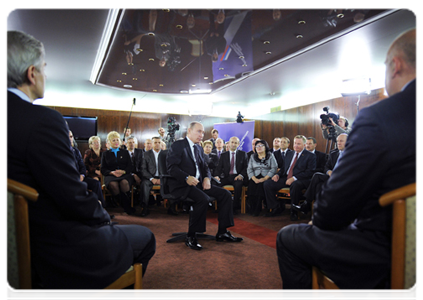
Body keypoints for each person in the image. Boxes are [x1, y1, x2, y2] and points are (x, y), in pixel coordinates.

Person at [5, 30, 155, 300]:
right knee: (145, 238)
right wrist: (103, 219)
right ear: (31, 73)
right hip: (48, 251)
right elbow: (71, 197)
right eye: (44, 69)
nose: (45, 76)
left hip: (10, 248)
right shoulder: (43, 121)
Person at [277, 28, 420, 300]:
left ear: (396, 65)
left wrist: (321, 219)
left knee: (288, 238)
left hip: (387, 254)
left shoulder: (379, 117)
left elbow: (333, 211)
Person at [166, 121, 243, 250]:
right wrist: (186, 177)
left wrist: (207, 178)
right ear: (189, 131)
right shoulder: (178, 145)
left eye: (203, 132)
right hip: (182, 185)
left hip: (199, 184)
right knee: (203, 199)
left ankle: (223, 231)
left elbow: (205, 167)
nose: (202, 134)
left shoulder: (198, 148)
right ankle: (192, 236)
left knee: (226, 194)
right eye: (199, 131)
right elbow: (171, 168)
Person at [293, 133, 348, 215]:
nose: (338, 143)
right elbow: (326, 167)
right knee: (318, 185)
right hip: (331, 177)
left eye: (341, 141)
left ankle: (306, 204)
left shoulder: (352, 154)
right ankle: (319, 211)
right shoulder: (333, 153)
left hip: (343, 179)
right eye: (337, 141)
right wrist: (329, 171)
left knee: (317, 176)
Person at [263, 135, 316, 220]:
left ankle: (294, 210)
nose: (296, 146)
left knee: (295, 185)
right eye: (295, 143)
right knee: (267, 184)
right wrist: (277, 175)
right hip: (286, 177)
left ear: (304, 145)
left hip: (301, 179)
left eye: (298, 144)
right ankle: (276, 207)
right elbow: (284, 168)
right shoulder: (290, 153)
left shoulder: (310, 156)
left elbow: (309, 172)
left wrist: (294, 178)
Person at [101, 131, 135, 215]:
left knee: (124, 183)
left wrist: (123, 171)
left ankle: (125, 206)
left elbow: (130, 166)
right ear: (109, 142)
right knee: (113, 185)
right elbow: (103, 169)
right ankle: (126, 206)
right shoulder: (105, 154)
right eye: (113, 140)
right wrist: (112, 173)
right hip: (111, 175)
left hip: (124, 175)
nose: (116, 142)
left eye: (117, 140)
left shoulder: (125, 152)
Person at [70, 131, 105, 207]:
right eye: (68, 136)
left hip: (81, 177)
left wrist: (82, 175)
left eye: (71, 137)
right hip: (70, 178)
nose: (70, 139)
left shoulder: (76, 151)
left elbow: (82, 166)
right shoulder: (61, 151)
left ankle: (101, 209)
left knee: (96, 183)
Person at [214, 137, 249, 214]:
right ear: (229, 143)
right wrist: (217, 176)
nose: (233, 144)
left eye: (235, 143)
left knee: (238, 184)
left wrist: (241, 175)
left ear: (238, 144)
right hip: (226, 177)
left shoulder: (243, 154)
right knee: (216, 183)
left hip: (237, 176)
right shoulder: (223, 155)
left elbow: (246, 167)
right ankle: (220, 206)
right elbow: (219, 168)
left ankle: (235, 206)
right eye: (232, 142)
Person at [246, 139, 278, 216]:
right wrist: (254, 178)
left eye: (261, 146)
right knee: (251, 186)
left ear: (265, 147)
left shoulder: (270, 155)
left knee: (260, 187)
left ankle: (257, 209)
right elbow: (249, 169)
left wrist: (265, 178)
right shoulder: (252, 156)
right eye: (257, 146)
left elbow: (274, 168)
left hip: (266, 176)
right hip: (255, 176)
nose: (259, 147)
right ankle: (252, 208)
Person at [141, 137, 162, 217]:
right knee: (145, 184)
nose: (157, 144)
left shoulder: (165, 154)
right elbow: (143, 169)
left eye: (159, 142)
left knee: (171, 183)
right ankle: (145, 207)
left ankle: (172, 207)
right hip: (150, 177)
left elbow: (168, 169)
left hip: (162, 177)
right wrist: (152, 178)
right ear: (152, 144)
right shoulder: (146, 154)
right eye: (155, 142)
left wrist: (161, 179)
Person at [126, 136, 144, 205]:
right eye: (130, 142)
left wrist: (139, 175)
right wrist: (133, 175)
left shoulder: (140, 151)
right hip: (128, 174)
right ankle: (129, 203)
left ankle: (142, 202)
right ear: (126, 144)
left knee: (144, 181)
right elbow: (124, 167)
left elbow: (142, 165)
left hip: (139, 173)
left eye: (133, 142)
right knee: (127, 183)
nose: (132, 144)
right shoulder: (124, 152)